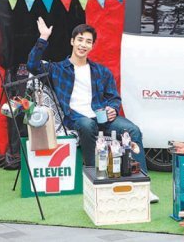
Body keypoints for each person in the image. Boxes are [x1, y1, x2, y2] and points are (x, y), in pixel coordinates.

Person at [27, 17, 159, 202]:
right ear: (72, 41)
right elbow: (32, 66)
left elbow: (114, 97)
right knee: (87, 125)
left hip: (102, 117)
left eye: (88, 42)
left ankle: (142, 187)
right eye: (80, 40)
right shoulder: (58, 69)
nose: (83, 45)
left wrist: (113, 109)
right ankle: (95, 179)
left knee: (133, 130)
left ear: (92, 46)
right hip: (76, 118)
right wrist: (43, 37)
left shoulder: (101, 71)